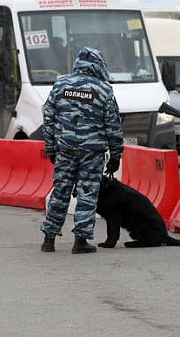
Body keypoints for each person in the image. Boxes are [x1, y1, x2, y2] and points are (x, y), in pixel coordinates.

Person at [40, 47, 124, 254]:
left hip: (65, 149)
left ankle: (49, 239)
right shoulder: (104, 90)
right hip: (92, 152)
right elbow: (113, 126)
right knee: (87, 195)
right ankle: (80, 241)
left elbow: (48, 118)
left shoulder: (60, 85)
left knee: (60, 192)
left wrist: (51, 147)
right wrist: (116, 155)